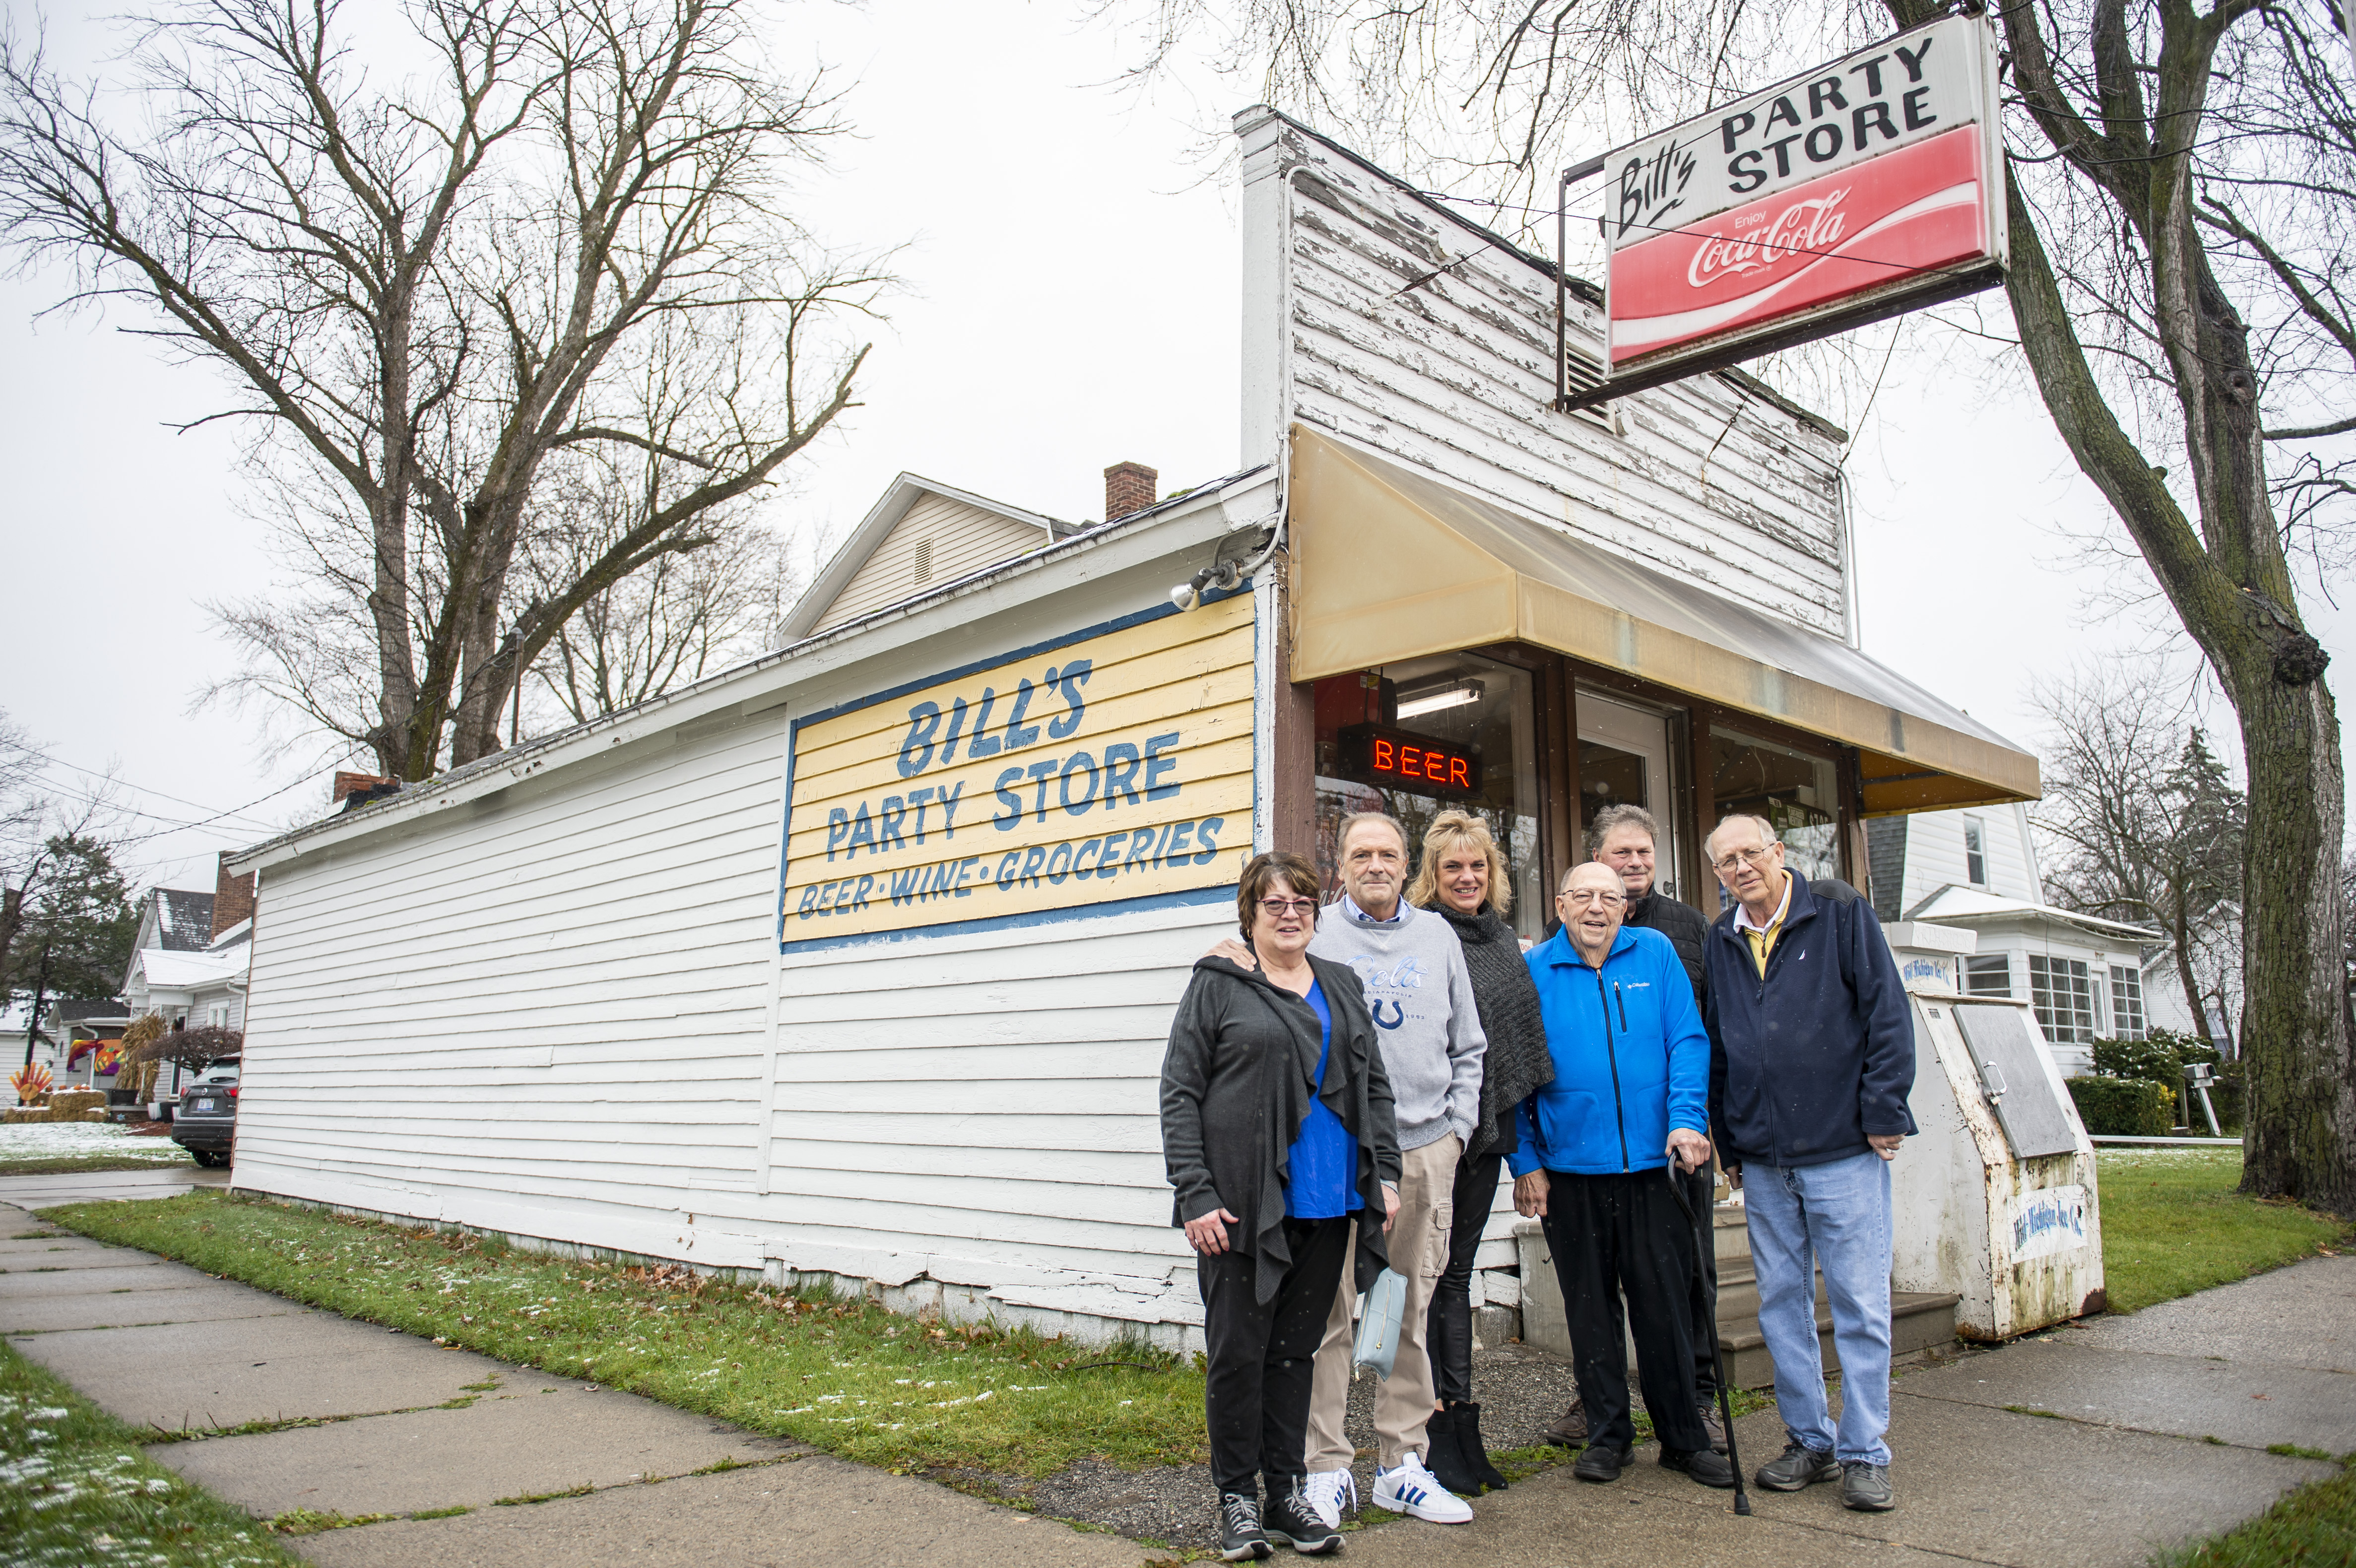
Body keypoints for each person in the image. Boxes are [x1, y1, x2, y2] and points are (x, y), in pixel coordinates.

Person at [1208, 812, 1487, 1527]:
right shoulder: (1316, 928)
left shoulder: (1439, 937)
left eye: (1387, 854)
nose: (1375, 864)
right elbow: (1248, 955)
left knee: (1404, 1309)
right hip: (1337, 1156)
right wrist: (1225, 952)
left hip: (1422, 1149)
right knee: (1325, 1316)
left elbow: (1469, 1046)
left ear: (1405, 864)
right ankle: (1326, 1466)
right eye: (1360, 853)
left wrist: (1456, 1133)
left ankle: (1403, 1463)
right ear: (1342, 866)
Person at [1162, 850, 1402, 1560]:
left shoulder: (1341, 983)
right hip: (1242, 1204)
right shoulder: (1220, 984)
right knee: (1240, 1354)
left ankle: (1287, 1493)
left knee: (1297, 1353)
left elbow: (1375, 1087)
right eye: (1275, 903)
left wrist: (1383, 1174)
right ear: (1251, 913)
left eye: (1302, 901)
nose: (1291, 913)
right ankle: (1237, 1500)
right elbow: (1180, 1091)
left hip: (1329, 1203)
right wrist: (1195, 1194)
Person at [1701, 814, 1915, 1513]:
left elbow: (1887, 1014)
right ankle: (1810, 1442)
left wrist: (1884, 1111)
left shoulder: (1840, 913)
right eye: (1726, 861)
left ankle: (1864, 1453)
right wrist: (1731, 1143)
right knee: (1780, 1308)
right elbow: (1722, 1048)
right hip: (1762, 1161)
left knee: (1857, 1304)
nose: (1740, 868)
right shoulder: (1722, 937)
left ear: (1779, 853)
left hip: (1842, 1150)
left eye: (1750, 853)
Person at [1511, 862, 1735, 1490]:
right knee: (1588, 1310)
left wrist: (1687, 1119)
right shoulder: (1536, 971)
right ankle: (1608, 1434)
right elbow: (1518, 1074)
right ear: (1559, 905)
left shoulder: (1656, 954)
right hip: (1569, 1171)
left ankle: (1683, 1438)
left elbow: (1687, 1041)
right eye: (1581, 896)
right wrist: (1524, 1160)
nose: (1596, 907)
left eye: (1609, 897)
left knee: (1663, 1305)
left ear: (1625, 908)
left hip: (1652, 1168)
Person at [1401, 809, 1555, 1496]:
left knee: (1455, 1275)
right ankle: (1425, 1428)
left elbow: (1514, 1058)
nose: (1467, 878)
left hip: (1484, 1138)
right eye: (1452, 868)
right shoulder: (1420, 938)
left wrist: (1524, 1161)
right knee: (1424, 1279)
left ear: (1493, 875)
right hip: (1429, 1136)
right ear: (1431, 878)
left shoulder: (1501, 944)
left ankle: (1463, 1425)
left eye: (1478, 866)